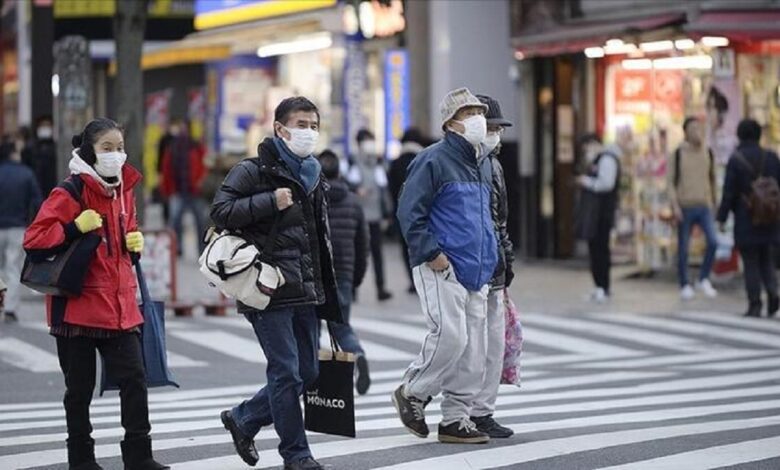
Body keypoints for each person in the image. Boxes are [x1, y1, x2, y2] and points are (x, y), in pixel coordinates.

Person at [22, 118, 169, 470]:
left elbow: (122, 245)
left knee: (135, 380)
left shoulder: (125, 191)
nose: (116, 155)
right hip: (77, 309)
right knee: (79, 391)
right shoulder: (69, 192)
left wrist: (135, 246)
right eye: (107, 148)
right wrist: (74, 227)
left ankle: (139, 456)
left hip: (120, 307)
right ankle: (82, 460)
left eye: (120, 148)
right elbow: (34, 240)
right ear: (89, 152)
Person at [212, 96, 342, 470]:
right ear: (280, 129)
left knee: (308, 372)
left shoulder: (314, 174)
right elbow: (220, 212)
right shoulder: (252, 170)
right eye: (301, 125)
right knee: (286, 372)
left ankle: (244, 418)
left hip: (305, 288)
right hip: (266, 288)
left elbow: (317, 238)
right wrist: (270, 200)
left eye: (314, 126)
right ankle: (296, 455)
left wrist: (327, 290)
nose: (309, 132)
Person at [393, 87, 497, 444]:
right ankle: (412, 390)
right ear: (451, 123)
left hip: (478, 269)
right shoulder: (432, 160)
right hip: (442, 264)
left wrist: (494, 258)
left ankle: (455, 418)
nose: (478, 119)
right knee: (451, 337)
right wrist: (431, 253)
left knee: (474, 352)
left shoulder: (482, 162)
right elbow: (409, 212)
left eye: (479, 112)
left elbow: (486, 217)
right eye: (469, 114)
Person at [470, 94, 515, 438]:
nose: (495, 135)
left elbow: (500, 220)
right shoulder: (455, 162)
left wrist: (507, 257)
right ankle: (420, 393)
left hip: (494, 266)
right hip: (466, 267)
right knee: (467, 344)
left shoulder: (494, 165)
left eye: (498, 129)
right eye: (491, 128)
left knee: (493, 343)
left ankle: (482, 411)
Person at [317, 149, 371, 395]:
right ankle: (357, 354)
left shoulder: (313, 199)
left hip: (317, 275)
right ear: (340, 172)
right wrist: (356, 277)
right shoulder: (353, 201)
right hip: (344, 274)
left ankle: (312, 380)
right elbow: (363, 244)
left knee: (310, 329)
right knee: (341, 326)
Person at [717, 119, 780, 318]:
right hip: (770, 216)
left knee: (750, 261)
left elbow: (729, 192)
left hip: (746, 216)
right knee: (766, 257)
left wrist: (722, 217)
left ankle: (755, 303)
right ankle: (773, 292)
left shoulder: (736, 159)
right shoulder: (771, 157)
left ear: (739, 135)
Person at [670, 117, 719, 300]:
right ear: (686, 132)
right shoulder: (678, 154)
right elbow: (671, 182)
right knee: (683, 248)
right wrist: (675, 205)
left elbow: (712, 179)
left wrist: (714, 202)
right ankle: (684, 283)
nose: (697, 131)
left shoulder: (708, 152)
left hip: (704, 205)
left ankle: (703, 277)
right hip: (685, 205)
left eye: (699, 128)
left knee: (713, 241)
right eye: (693, 128)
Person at [0, 139, 42, 323]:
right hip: (17, 226)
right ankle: (9, 308)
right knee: (13, 268)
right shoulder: (26, 174)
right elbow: (37, 202)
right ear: (13, 153)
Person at [576, 133, 622, 302]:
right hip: (597, 213)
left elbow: (606, 184)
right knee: (596, 248)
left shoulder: (607, 159)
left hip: (602, 213)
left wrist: (586, 181)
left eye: (587, 148)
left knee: (600, 249)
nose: (586, 152)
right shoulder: (599, 160)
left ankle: (603, 286)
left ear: (594, 144)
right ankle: (599, 286)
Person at [353, 128, 393, 301]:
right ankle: (353, 289)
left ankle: (381, 287)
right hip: (359, 215)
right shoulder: (352, 161)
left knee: (377, 253)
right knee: (358, 254)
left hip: (375, 214)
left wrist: (387, 211)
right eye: (366, 141)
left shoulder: (378, 162)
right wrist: (356, 190)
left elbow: (384, 189)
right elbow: (347, 184)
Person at [160, 121, 207, 256]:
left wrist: (200, 182)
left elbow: (204, 166)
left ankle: (202, 249)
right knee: (175, 221)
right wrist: (167, 190)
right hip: (178, 190)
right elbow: (166, 168)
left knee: (201, 221)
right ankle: (177, 248)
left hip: (195, 192)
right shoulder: (173, 148)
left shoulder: (196, 147)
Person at [388, 128, 427, 293]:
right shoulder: (425, 160)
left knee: (406, 248)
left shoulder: (396, 163)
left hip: (401, 213)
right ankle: (424, 279)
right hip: (424, 212)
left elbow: (391, 190)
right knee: (423, 245)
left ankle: (413, 281)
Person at [24, 116, 58, 196]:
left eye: (47, 125)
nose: (45, 128)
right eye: (43, 125)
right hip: (35, 188)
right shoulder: (30, 147)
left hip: (53, 188)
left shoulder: (56, 148)